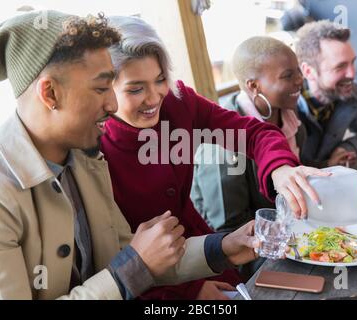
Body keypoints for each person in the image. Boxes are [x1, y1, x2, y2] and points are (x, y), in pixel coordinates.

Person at [0, 11, 259, 300]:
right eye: (101, 88)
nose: (112, 104)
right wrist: (131, 268)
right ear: (50, 94)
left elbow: (133, 253)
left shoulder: (85, 160)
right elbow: (133, 264)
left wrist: (222, 247)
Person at [100, 16, 328, 298]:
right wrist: (189, 292)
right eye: (136, 89)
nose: (153, 98)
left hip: (208, 250)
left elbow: (253, 133)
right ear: (105, 89)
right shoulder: (93, 151)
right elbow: (113, 265)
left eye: (159, 80)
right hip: (153, 286)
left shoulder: (178, 101)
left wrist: (280, 168)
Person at [191, 36, 305, 234]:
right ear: (253, 86)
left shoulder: (292, 116)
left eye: (299, 72)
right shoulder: (222, 144)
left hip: (290, 229)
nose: (299, 80)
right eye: (287, 76)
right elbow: (228, 228)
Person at [295, 20, 357, 167]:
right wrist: (327, 165)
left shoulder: (352, 92)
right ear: (308, 71)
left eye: (352, 62)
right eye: (340, 66)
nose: (353, 74)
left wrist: (345, 148)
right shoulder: (284, 105)